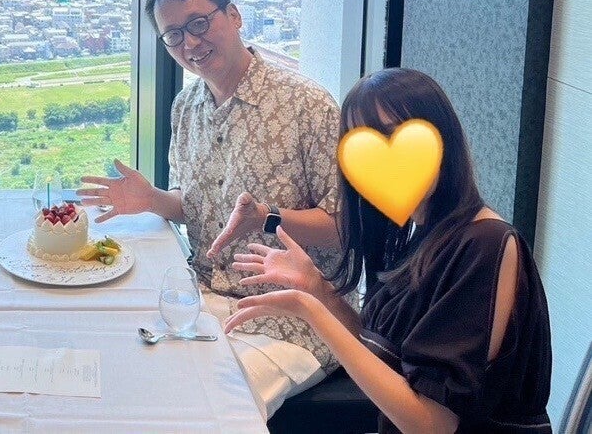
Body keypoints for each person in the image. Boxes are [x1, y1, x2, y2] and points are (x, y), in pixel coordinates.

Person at [78, 0, 345, 418]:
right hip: (203, 296)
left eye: (199, 23)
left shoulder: (308, 106)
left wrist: (269, 217)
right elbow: (196, 206)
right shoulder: (186, 107)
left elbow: (344, 228)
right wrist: (152, 200)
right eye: (174, 35)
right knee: (116, 368)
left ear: (234, 16)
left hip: (291, 314)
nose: (190, 43)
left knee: (196, 410)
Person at [225, 68, 552, 432]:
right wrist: (317, 288)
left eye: (394, 136)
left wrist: (311, 312)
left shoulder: (484, 244)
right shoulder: (422, 232)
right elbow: (384, 358)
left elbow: (431, 424)